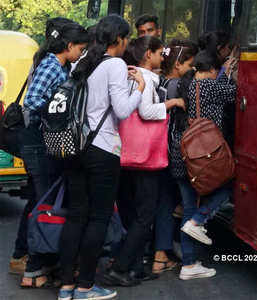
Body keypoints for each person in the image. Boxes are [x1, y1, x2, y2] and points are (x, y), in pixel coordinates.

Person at [57, 14, 144, 300]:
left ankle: (66, 285)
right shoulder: (115, 64)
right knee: (98, 217)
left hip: (75, 148)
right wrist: (140, 89)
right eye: (127, 38)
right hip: (102, 148)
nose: (128, 43)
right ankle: (85, 287)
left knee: (76, 216)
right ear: (118, 39)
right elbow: (121, 110)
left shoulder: (83, 63)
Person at [102, 36, 185, 286]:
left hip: (123, 151)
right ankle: (121, 266)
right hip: (144, 155)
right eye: (160, 53)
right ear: (148, 54)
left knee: (130, 211)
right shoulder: (147, 78)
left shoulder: (127, 73)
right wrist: (171, 103)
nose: (163, 58)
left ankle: (135, 267)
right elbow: (147, 111)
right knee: (146, 214)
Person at [19, 19, 89, 289]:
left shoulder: (55, 63)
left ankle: (31, 262)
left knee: (40, 199)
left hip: (40, 141)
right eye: (80, 49)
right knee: (45, 205)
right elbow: (33, 101)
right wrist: (57, 108)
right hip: (38, 141)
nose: (81, 54)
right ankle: (34, 268)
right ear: (69, 46)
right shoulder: (51, 65)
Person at [169, 50, 236, 280]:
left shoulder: (185, 84)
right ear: (211, 70)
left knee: (188, 206)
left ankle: (188, 264)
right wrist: (227, 71)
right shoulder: (209, 86)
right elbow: (234, 92)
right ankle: (200, 219)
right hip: (203, 155)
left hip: (182, 153)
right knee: (227, 186)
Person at [152, 39, 198, 274]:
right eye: (191, 63)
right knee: (175, 203)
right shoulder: (179, 86)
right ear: (179, 63)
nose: (194, 68)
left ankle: (160, 253)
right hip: (172, 152)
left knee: (165, 202)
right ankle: (164, 254)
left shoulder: (160, 81)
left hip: (157, 150)